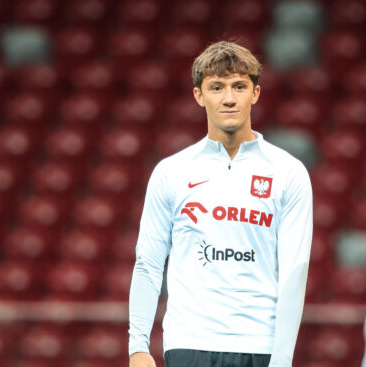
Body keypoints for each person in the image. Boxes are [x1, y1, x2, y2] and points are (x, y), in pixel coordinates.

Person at [128, 41, 313, 367]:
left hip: (259, 344)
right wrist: (138, 345)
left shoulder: (288, 173)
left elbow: (294, 273)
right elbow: (148, 263)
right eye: (217, 87)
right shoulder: (171, 172)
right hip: (188, 342)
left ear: (255, 93)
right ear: (199, 95)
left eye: (239, 86)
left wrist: (282, 360)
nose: (229, 98)